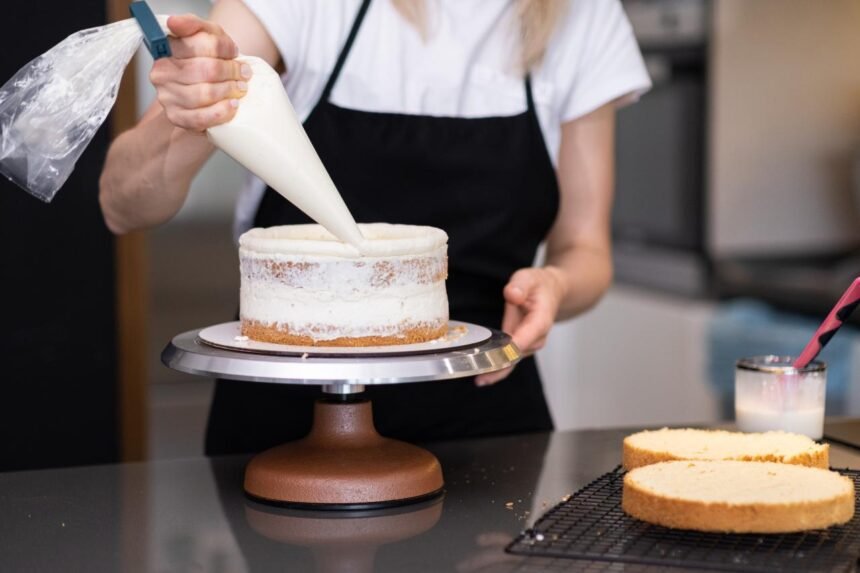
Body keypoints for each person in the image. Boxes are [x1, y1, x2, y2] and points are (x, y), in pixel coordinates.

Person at [99, 0, 651, 454]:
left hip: (487, 420)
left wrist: (555, 284)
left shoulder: (586, 17)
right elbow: (124, 206)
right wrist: (197, 111)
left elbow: (584, 249)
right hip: (286, 422)